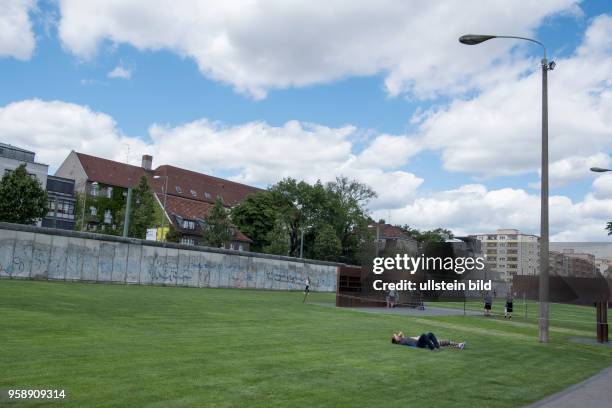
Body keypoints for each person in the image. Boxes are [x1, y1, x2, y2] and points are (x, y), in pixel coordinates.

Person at [391, 331, 465, 350]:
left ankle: (458, 345)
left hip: (421, 341)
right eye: (396, 337)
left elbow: (401, 332)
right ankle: (458, 345)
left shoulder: (402, 339)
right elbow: (399, 335)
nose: (397, 335)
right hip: (419, 343)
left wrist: (397, 335)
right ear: (396, 340)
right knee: (443, 342)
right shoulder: (401, 343)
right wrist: (395, 336)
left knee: (441, 342)